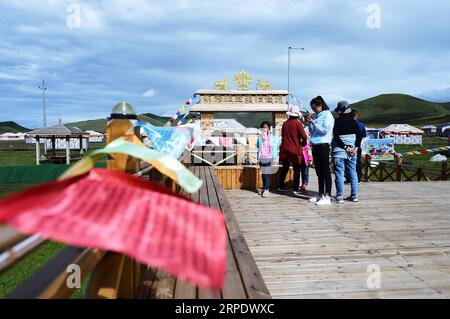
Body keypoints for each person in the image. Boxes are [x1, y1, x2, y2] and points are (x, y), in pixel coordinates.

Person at [306, 96, 335, 205]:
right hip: (315, 145)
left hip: (323, 145)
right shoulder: (317, 115)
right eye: (312, 107)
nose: (313, 109)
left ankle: (327, 196)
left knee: (325, 170)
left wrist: (314, 123)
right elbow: (312, 131)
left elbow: (324, 130)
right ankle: (320, 193)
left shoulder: (327, 115)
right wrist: (310, 122)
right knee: (319, 171)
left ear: (320, 105)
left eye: (315, 107)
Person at [332, 101, 363, 203]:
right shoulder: (354, 122)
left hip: (339, 151)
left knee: (339, 173)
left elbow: (336, 137)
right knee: (353, 173)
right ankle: (354, 196)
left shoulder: (336, 121)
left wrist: (345, 147)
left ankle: (340, 196)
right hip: (353, 151)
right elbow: (359, 136)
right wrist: (355, 148)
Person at [277, 104, 308, 194]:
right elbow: (304, 137)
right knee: (297, 170)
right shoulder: (298, 124)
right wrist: (303, 144)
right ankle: (295, 189)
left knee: (285, 168)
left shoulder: (285, 123)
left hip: (285, 149)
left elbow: (283, 136)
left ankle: (280, 186)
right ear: (298, 115)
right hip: (295, 150)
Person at [345, 109, 366, 183]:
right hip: (358, 146)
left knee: (348, 163)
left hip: (349, 146)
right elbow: (363, 135)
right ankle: (358, 179)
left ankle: (348, 179)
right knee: (358, 163)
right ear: (356, 116)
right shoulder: (362, 125)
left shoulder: (347, 124)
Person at [256, 121, 277, 197]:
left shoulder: (272, 137)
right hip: (261, 157)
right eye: (263, 127)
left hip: (269, 157)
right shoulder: (259, 136)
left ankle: (266, 189)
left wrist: (275, 157)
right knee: (263, 174)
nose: (264, 129)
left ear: (269, 128)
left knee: (267, 174)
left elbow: (275, 146)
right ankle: (265, 188)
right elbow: (257, 145)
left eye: (266, 127)